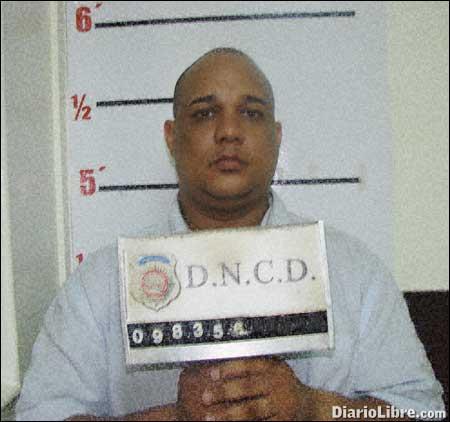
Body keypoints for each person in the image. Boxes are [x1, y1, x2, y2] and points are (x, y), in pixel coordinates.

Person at [15, 48, 444, 421]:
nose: (229, 132)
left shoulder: (354, 272)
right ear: (171, 138)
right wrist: (173, 417)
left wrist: (313, 408)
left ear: (276, 138)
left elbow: (424, 411)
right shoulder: (99, 285)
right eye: (205, 113)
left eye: (251, 113)